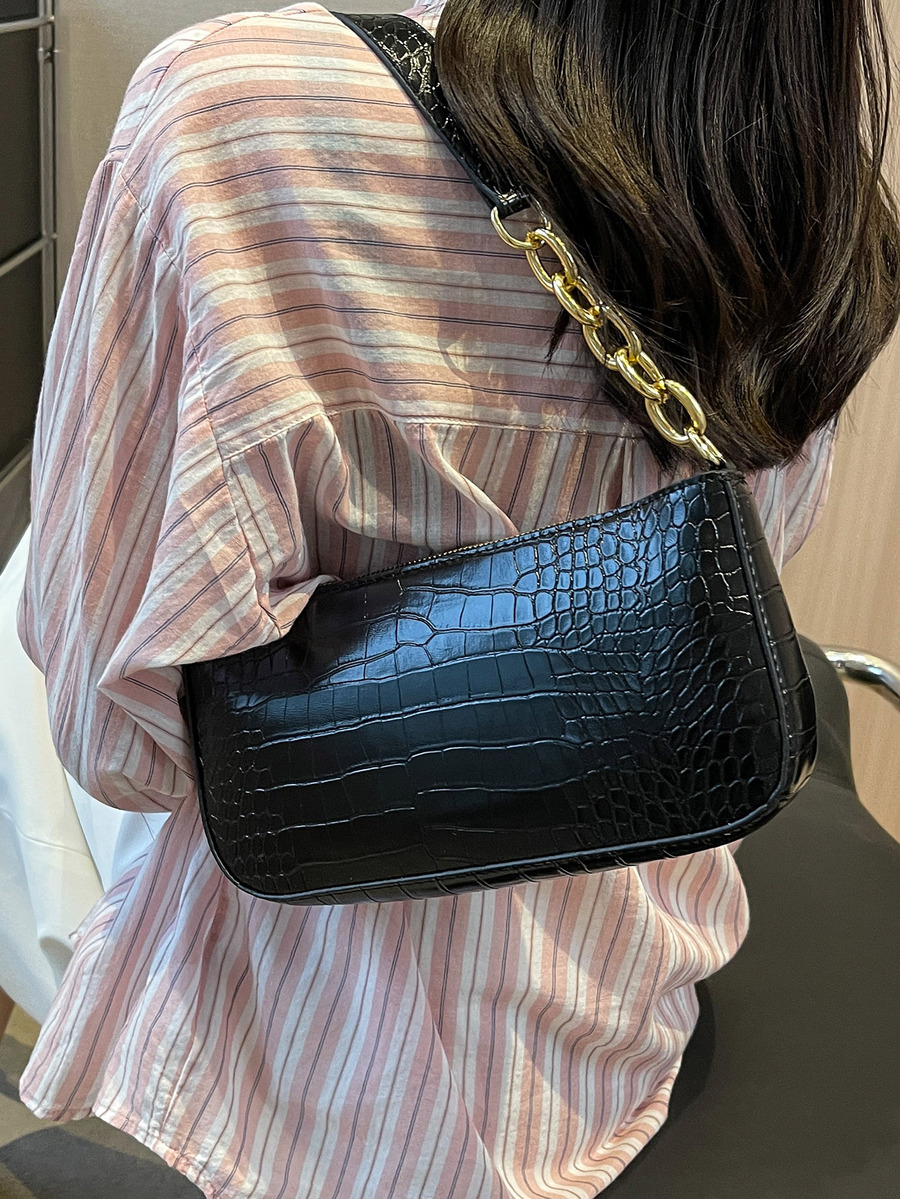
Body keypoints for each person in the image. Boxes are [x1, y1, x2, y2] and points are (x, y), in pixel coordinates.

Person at [15, 1, 900, 1196]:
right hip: (623, 1015)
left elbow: (115, 743)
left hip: (297, 1065)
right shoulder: (809, 198)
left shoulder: (230, 117)